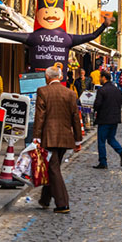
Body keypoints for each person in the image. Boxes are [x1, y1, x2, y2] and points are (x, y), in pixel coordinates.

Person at [31, 65, 83, 213]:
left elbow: (40, 117)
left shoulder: (43, 91)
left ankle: (63, 203)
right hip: (65, 137)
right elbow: (75, 118)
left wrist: (36, 137)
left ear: (47, 77)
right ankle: (45, 199)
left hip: (49, 136)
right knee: (52, 168)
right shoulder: (70, 93)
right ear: (59, 77)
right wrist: (78, 140)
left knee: (53, 169)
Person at [91, 71, 122, 169]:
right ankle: (121, 151)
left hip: (104, 119)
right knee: (111, 138)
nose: (99, 79)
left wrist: (94, 107)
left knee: (101, 141)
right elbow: (120, 103)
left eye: (100, 77)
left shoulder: (102, 90)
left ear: (104, 78)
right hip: (115, 119)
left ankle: (103, 162)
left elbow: (97, 105)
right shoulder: (117, 90)